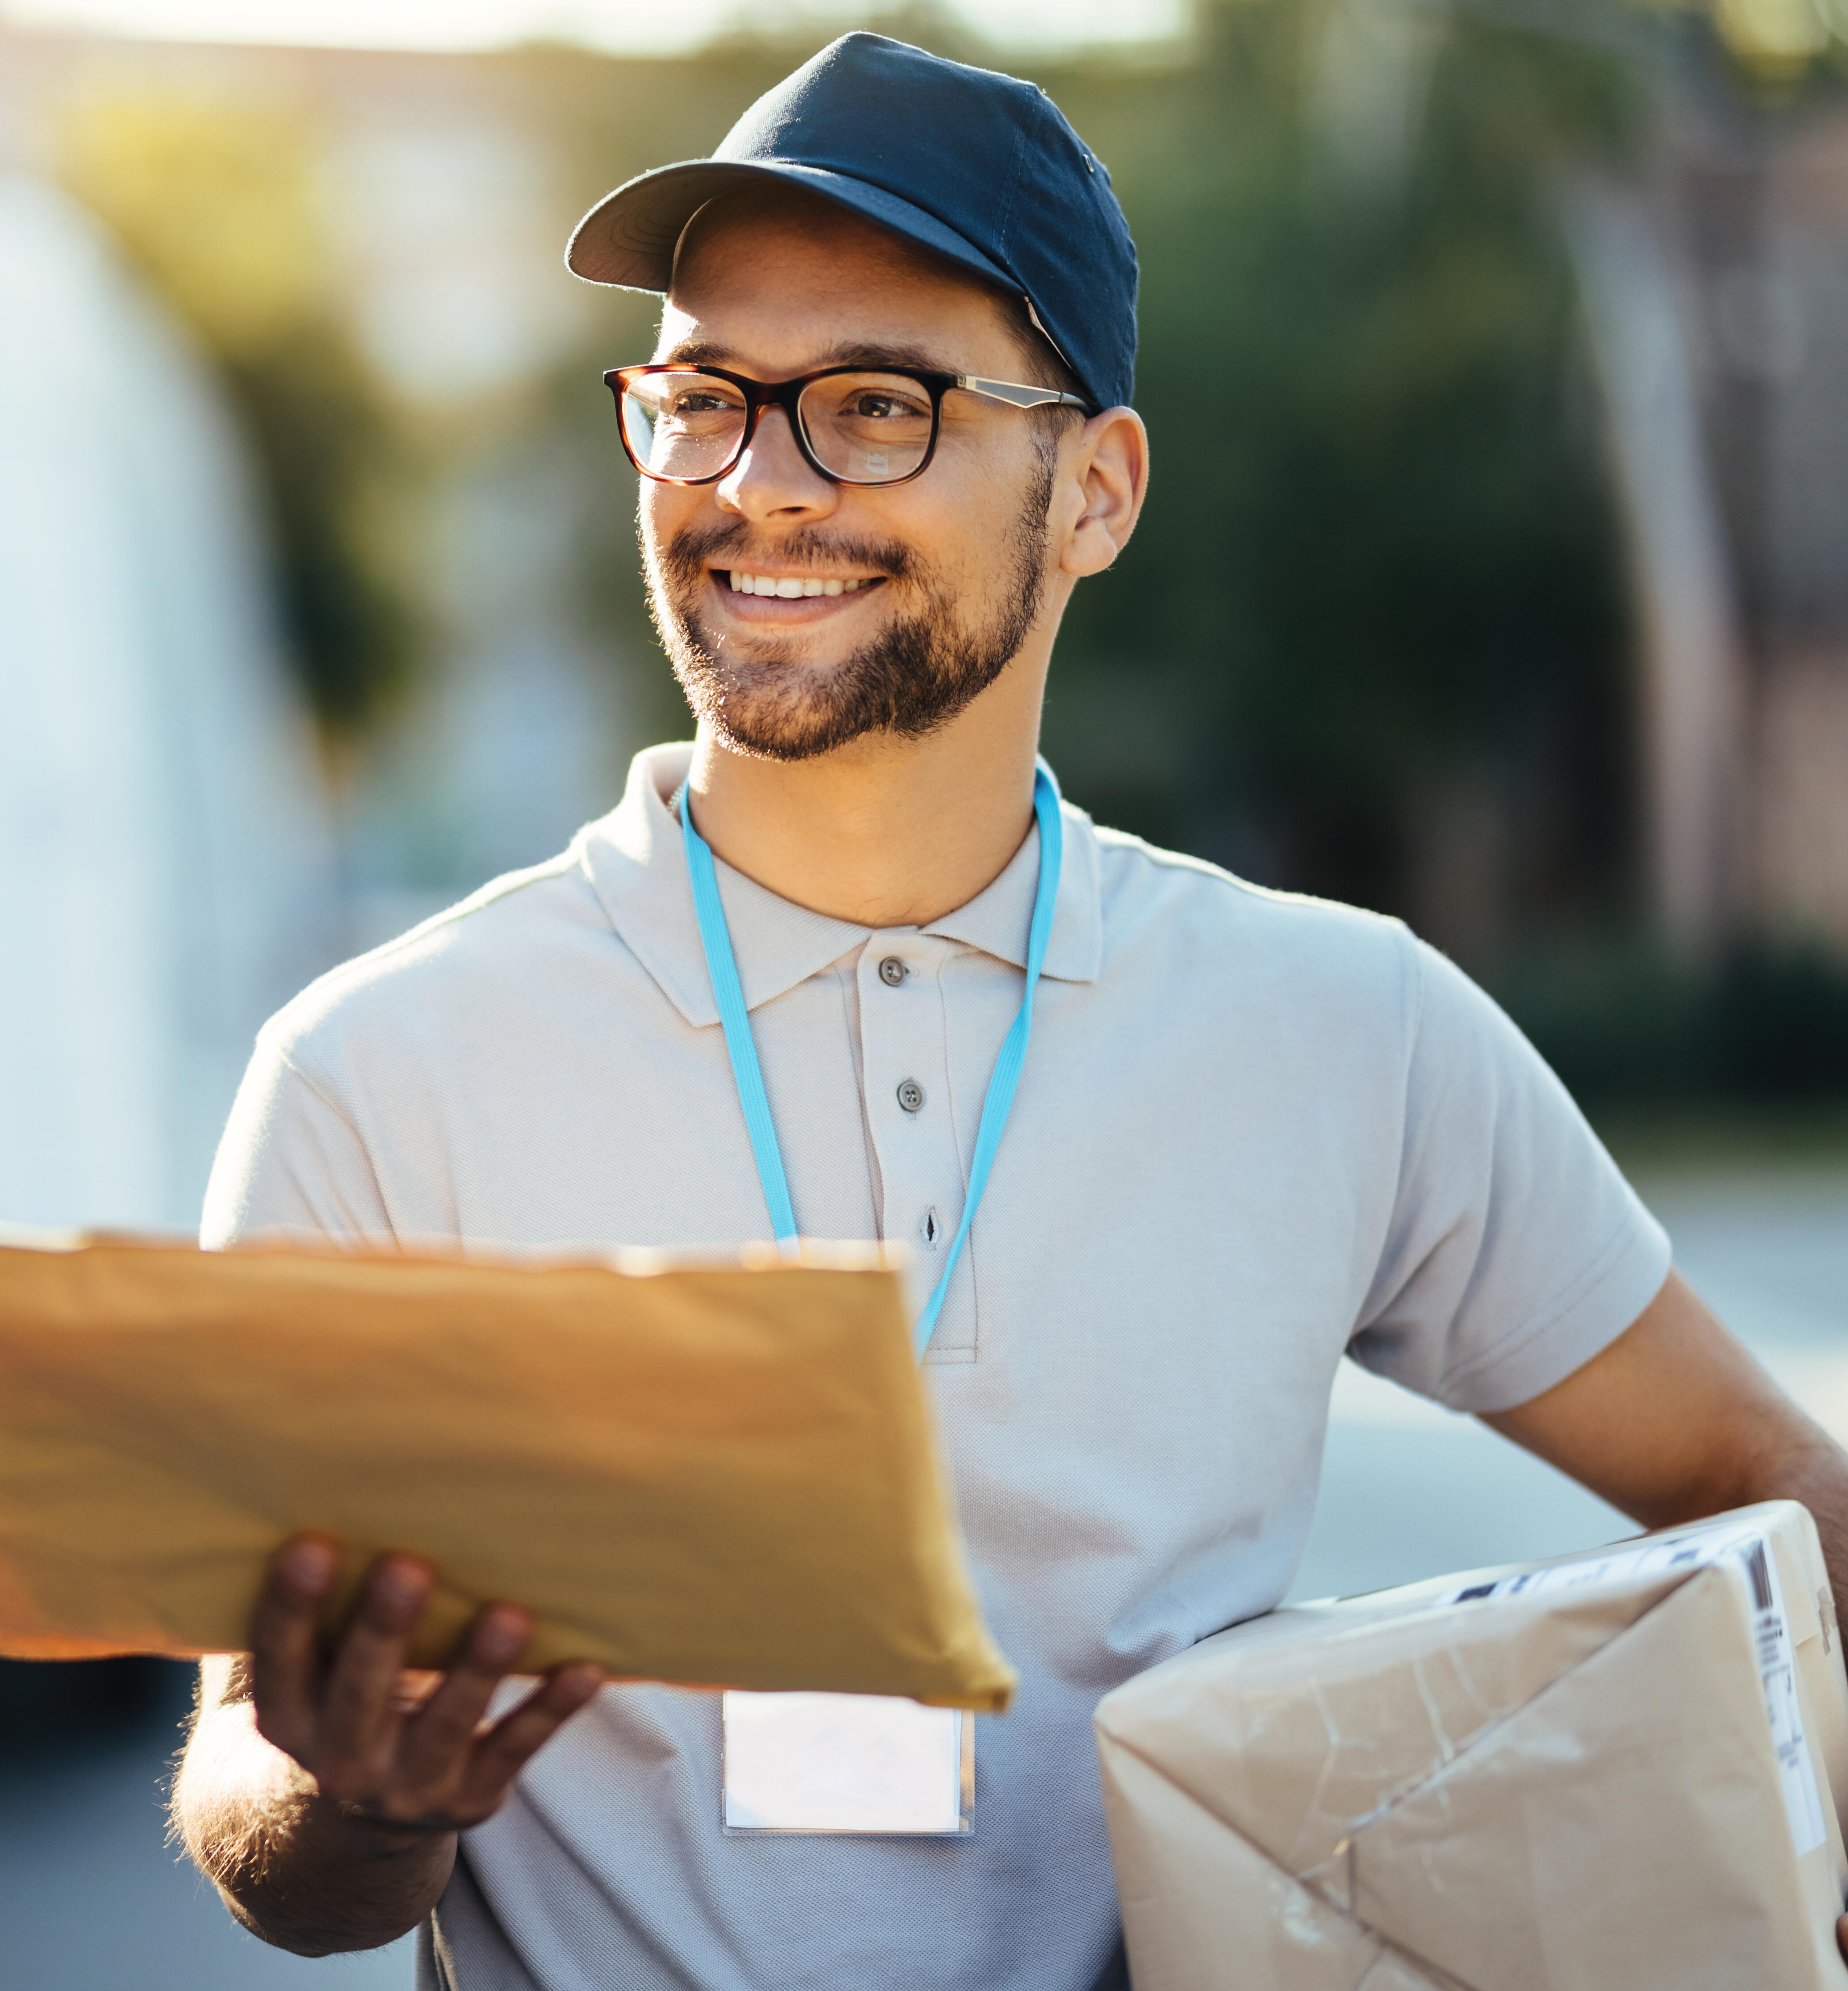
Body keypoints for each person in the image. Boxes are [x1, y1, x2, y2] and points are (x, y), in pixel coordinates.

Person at [169, 32, 1848, 1991]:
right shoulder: (386, 1073)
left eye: (872, 407)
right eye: (702, 398)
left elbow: (1767, 1489)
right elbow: (258, 1822)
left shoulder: (1348, 1030)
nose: (757, 485)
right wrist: (359, 1792)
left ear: (1097, 489)